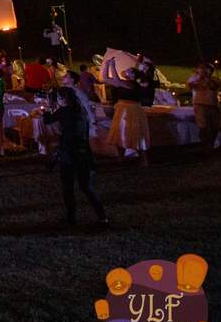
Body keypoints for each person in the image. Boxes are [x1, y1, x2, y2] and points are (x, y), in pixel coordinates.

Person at [45, 86, 108, 226]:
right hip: (83, 151)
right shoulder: (81, 111)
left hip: (69, 152)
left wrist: (49, 107)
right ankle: (102, 216)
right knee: (87, 187)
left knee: (68, 186)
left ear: (62, 99)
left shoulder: (64, 111)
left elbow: (47, 120)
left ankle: (71, 217)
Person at [102, 56, 148, 164]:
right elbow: (106, 78)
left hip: (132, 110)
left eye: (129, 70)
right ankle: (121, 158)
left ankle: (144, 159)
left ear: (133, 75)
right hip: (122, 109)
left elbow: (116, 80)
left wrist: (113, 66)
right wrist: (107, 65)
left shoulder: (131, 84)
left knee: (135, 133)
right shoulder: (125, 82)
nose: (126, 70)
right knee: (119, 133)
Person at [187, 63, 221, 152]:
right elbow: (190, 85)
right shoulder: (195, 79)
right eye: (203, 69)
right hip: (200, 106)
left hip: (213, 106)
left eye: (207, 69)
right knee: (203, 127)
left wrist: (206, 78)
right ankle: (205, 147)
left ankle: (211, 145)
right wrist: (199, 77)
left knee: (214, 127)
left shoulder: (215, 80)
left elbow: (213, 85)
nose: (205, 71)